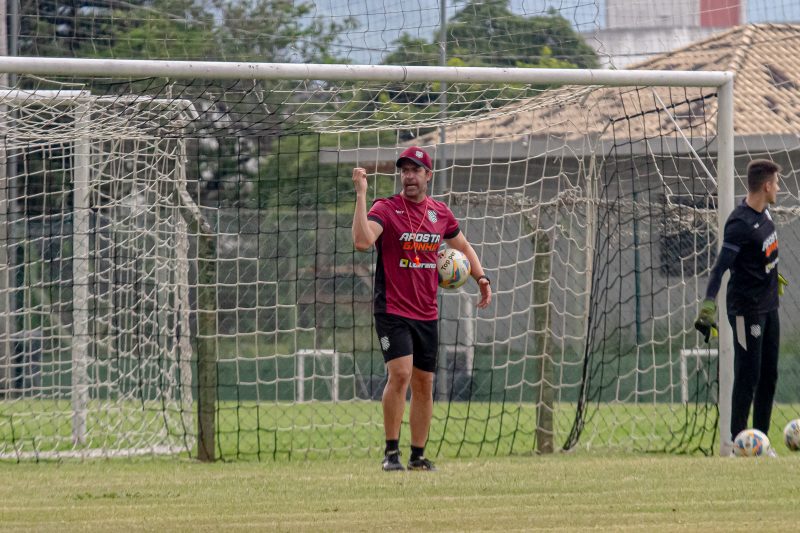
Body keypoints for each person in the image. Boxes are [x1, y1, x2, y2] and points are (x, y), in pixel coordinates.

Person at [352, 146, 492, 471]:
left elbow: (462, 246)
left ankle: (417, 455)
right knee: (399, 374)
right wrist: (361, 195)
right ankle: (391, 453)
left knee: (424, 384)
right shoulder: (386, 208)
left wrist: (481, 277)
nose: (409, 176)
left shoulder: (439, 213)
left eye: (415, 170)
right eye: (404, 170)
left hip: (426, 312)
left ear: (428, 175)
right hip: (392, 309)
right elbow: (361, 241)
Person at [694, 159, 787, 456]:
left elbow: (761, 253)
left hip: (769, 305)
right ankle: (738, 443)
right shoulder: (739, 223)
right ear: (766, 186)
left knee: (769, 374)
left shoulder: (765, 212)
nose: (779, 188)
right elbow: (720, 268)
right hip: (747, 312)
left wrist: (771, 272)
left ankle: (761, 441)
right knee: (748, 374)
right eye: (777, 183)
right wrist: (709, 305)